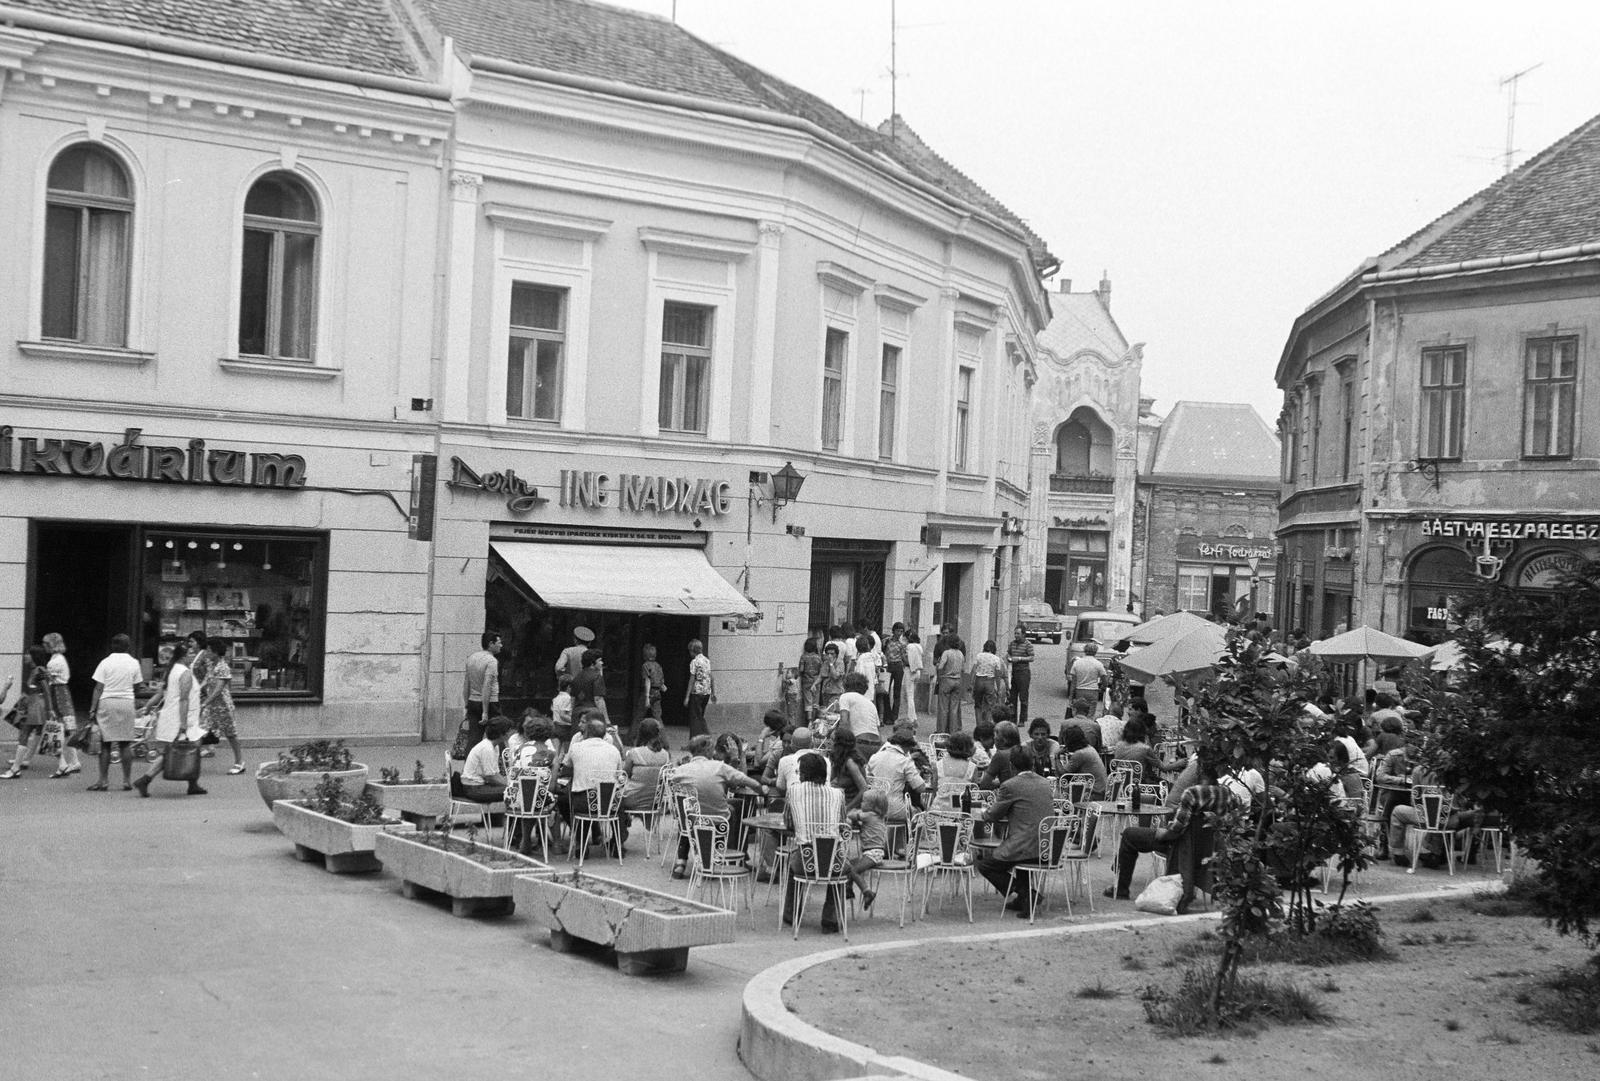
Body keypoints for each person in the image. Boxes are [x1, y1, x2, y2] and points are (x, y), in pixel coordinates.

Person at [1105, 759, 1234, 911]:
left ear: (1199, 773)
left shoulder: (1192, 793)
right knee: (1136, 835)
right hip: (1206, 849)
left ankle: (1121, 890)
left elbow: (1177, 829)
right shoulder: (1227, 794)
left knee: (1129, 834)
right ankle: (1119, 881)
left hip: (1181, 845)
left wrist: (1163, 833)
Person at [976, 745, 1056, 918]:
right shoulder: (1045, 783)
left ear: (1012, 766)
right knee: (1019, 854)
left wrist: (982, 812)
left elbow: (993, 815)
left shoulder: (1010, 786)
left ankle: (1027, 893)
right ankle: (1023, 899)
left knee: (985, 865)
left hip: (1024, 846)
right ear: (1033, 763)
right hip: (1047, 846)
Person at [670, 733, 765, 879]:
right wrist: (762, 790)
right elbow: (748, 781)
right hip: (717, 820)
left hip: (689, 821)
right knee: (734, 809)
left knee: (690, 809)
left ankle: (681, 861)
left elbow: (672, 788)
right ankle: (725, 854)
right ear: (708, 750)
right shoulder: (719, 767)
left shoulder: (680, 770)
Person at [132, 639, 205, 797]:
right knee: (189, 750)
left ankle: (148, 780)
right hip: (181, 719)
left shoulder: (170, 670)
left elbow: (159, 694)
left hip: (170, 717)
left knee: (171, 752)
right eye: (190, 653)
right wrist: (183, 725)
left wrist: (147, 707)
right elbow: (183, 699)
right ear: (183, 656)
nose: (193, 655)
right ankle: (148, 779)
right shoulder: (184, 673)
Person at [782, 752, 846, 932]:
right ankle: (830, 918)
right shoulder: (838, 794)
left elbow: (788, 823)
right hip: (834, 863)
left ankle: (791, 912)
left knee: (792, 861)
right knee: (840, 867)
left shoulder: (793, 791)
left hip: (806, 862)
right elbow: (842, 825)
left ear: (802, 774)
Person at [86, 634, 142, 791]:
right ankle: (126, 780)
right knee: (125, 744)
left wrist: (92, 708)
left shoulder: (105, 662)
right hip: (126, 702)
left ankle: (103, 781)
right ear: (128, 646)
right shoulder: (134, 663)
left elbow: (98, 687)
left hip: (107, 702)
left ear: (112, 646)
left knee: (105, 744)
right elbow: (137, 686)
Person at [187, 631, 244, 775]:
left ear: (215, 652)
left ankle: (239, 762)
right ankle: (191, 762)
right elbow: (207, 680)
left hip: (223, 706)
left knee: (231, 734)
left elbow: (218, 689)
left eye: (208, 650)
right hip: (211, 706)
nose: (206, 652)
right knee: (201, 730)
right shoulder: (212, 665)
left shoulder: (223, 667)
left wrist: (205, 702)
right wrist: (197, 690)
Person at [865, 724, 927, 824]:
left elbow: (867, 779)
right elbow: (920, 788)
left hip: (874, 808)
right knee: (918, 812)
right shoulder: (905, 761)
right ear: (907, 746)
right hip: (895, 809)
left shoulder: (874, 757)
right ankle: (908, 839)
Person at [2, 649, 49, 778]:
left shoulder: (39, 671)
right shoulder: (37, 670)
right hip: (34, 704)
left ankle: (16, 767)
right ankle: (21, 762)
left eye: (28, 654)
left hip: (35, 705)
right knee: (35, 733)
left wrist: (49, 710)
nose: (25, 656)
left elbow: (46, 690)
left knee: (25, 733)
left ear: (34, 656)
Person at [42, 632, 81, 778]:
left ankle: (63, 764)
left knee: (54, 730)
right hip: (63, 693)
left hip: (57, 693)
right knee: (65, 730)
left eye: (46, 644)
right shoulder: (60, 659)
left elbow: (49, 681)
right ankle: (73, 761)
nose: (44, 646)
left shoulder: (53, 662)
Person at [845, 788, 890, 912]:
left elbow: (851, 815)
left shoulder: (869, 815)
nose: (861, 804)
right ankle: (848, 889)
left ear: (873, 806)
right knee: (850, 864)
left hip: (873, 853)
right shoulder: (876, 816)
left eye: (864, 802)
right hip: (876, 852)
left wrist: (852, 811)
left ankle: (867, 892)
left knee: (854, 871)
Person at [461, 631, 502, 748]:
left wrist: (466, 705)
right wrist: (485, 711)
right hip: (491, 703)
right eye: (499, 642)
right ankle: (502, 763)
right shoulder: (491, 661)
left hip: (473, 701)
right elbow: (487, 685)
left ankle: (469, 765)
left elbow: (466, 684)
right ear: (491, 644)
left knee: (473, 737)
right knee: (499, 734)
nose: (501, 645)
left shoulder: (471, 658)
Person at [1056, 726, 1106, 799]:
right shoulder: (1089, 748)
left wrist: (1057, 757)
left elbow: (1063, 775)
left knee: (1060, 792)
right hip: (1102, 789)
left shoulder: (1080, 754)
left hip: (1093, 793)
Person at [1111, 716, 1163, 784]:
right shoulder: (1145, 748)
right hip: (1140, 786)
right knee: (1168, 785)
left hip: (1120, 785)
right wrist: (1179, 764)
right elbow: (1163, 767)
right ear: (1142, 731)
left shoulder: (1118, 746)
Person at [827, 728, 869, 812]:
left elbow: (864, 789)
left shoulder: (850, 762)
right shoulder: (838, 759)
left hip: (852, 808)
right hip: (839, 803)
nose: (828, 742)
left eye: (832, 740)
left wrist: (847, 808)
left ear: (840, 744)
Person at [934, 634, 966, 733]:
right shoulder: (960, 654)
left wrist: (939, 667)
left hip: (946, 680)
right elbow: (963, 669)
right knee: (954, 708)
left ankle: (942, 731)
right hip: (957, 680)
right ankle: (953, 731)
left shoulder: (946, 653)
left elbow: (940, 667)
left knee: (943, 707)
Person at [683, 639, 715, 737]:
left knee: (695, 718)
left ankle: (703, 736)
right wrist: (713, 692)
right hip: (706, 692)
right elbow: (711, 677)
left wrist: (687, 697)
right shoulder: (706, 660)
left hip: (697, 692)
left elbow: (692, 679)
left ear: (693, 651)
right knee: (700, 715)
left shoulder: (694, 662)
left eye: (690, 651)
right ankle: (701, 739)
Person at [970, 640, 1005, 728]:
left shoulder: (979, 656)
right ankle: (988, 726)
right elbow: (998, 675)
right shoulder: (996, 658)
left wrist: (971, 684)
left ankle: (979, 726)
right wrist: (998, 688)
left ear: (984, 647)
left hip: (979, 681)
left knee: (978, 705)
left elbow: (974, 670)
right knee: (990, 706)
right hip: (990, 681)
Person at [1066, 641, 1107, 714]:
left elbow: (1073, 682)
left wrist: (1071, 696)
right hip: (1093, 691)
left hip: (1080, 690)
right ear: (1095, 652)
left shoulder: (1077, 663)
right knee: (1091, 713)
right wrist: (1102, 688)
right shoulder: (1098, 664)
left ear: (1085, 651)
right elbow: (1104, 679)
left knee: (1080, 711)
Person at [836, 672, 880, 739]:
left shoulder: (845, 696)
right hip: (876, 743)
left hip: (859, 740)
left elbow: (844, 723)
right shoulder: (870, 703)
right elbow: (877, 729)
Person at [1005, 623, 1035, 723]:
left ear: (1023, 634)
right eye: (1015, 633)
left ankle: (1022, 719)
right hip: (1014, 672)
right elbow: (1009, 653)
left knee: (1023, 697)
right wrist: (1009, 658)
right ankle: (1013, 719)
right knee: (1012, 697)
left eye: (1018, 634)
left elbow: (1031, 658)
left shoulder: (1028, 645)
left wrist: (1019, 658)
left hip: (1024, 672)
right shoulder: (1012, 644)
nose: (1016, 636)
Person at [571, 649, 609, 724]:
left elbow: (572, 699)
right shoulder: (597, 677)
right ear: (592, 663)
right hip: (592, 716)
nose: (602, 663)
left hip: (576, 715)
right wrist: (606, 720)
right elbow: (598, 699)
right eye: (600, 660)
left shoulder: (576, 677)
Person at [881, 623, 907, 727]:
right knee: (885, 691)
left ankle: (894, 717)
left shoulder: (903, 643)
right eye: (898, 631)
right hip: (888, 666)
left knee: (897, 692)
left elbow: (904, 656)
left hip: (898, 666)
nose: (899, 633)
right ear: (894, 630)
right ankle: (887, 715)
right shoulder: (886, 641)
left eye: (901, 631)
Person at [797, 638, 823, 721]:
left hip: (806, 681)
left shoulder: (803, 657)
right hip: (816, 681)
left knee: (808, 702)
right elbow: (821, 670)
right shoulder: (818, 657)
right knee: (815, 702)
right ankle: (815, 720)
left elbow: (801, 669)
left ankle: (809, 721)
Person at [902, 631, 925, 726]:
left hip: (910, 671)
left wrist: (903, 656)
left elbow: (908, 661)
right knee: (911, 695)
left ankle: (911, 719)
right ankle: (913, 716)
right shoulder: (919, 646)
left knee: (909, 696)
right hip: (917, 672)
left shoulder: (910, 647)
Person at [640, 643, 666, 722]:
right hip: (657, 692)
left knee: (639, 714)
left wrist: (647, 697)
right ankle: (661, 733)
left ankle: (634, 733)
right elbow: (661, 679)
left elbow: (647, 681)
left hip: (649, 692)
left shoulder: (645, 666)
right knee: (657, 716)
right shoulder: (658, 665)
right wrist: (661, 685)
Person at [819, 641, 846, 714]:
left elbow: (835, 676)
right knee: (826, 713)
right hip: (825, 692)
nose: (829, 656)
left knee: (832, 712)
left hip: (836, 692)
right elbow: (822, 676)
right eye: (828, 654)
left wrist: (831, 664)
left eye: (832, 654)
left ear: (836, 654)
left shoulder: (840, 663)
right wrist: (814, 685)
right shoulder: (825, 663)